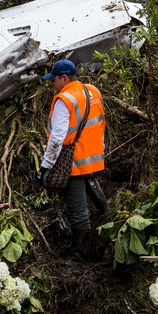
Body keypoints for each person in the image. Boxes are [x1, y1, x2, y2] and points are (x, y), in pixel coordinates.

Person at [36, 59, 108, 260]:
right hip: (93, 155)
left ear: (64, 77)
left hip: (74, 159)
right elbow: (100, 122)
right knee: (89, 181)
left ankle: (80, 252)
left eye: (54, 79)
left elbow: (58, 138)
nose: (53, 83)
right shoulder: (92, 91)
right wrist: (100, 147)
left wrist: (45, 167)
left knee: (77, 207)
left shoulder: (64, 99)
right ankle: (105, 213)